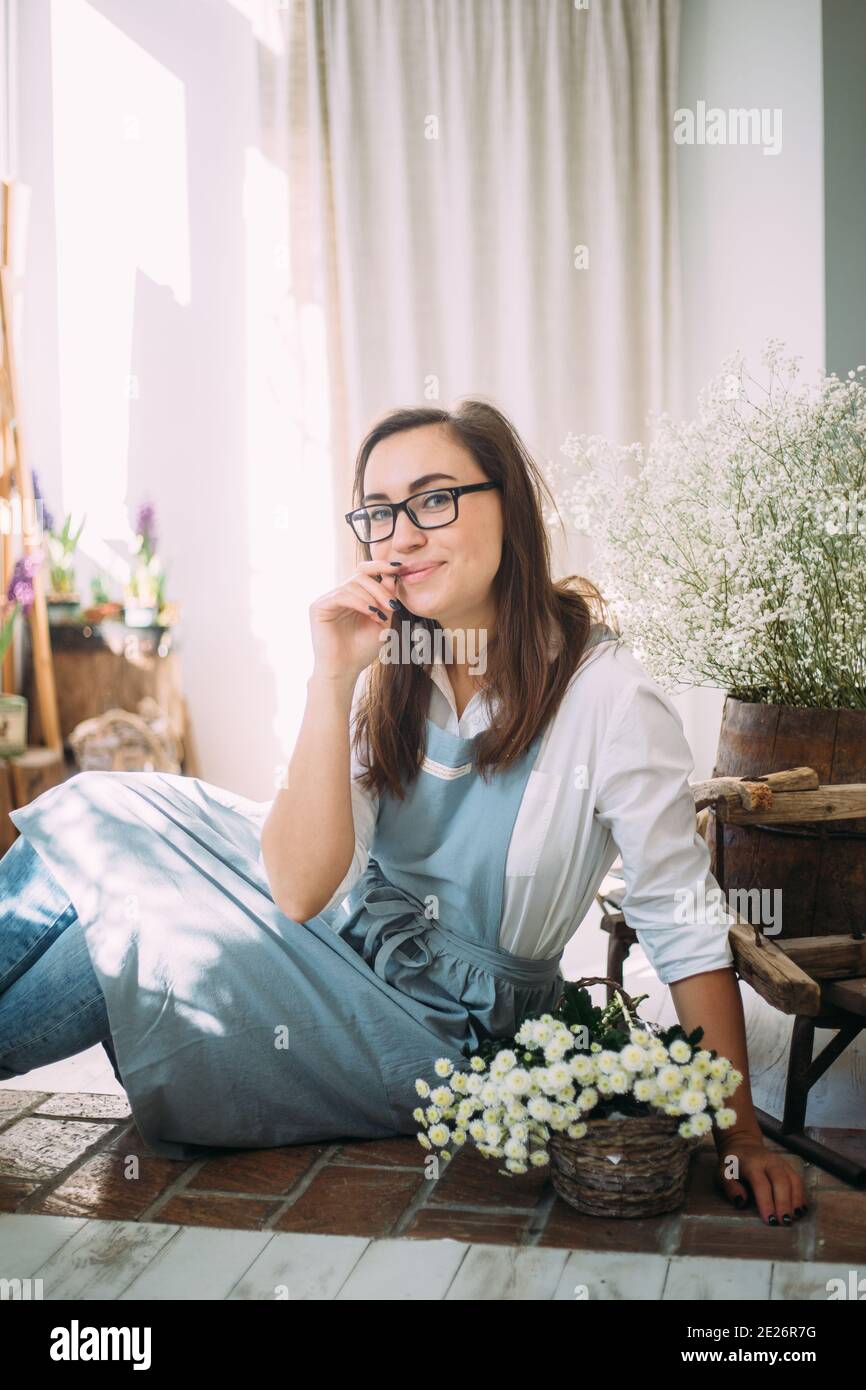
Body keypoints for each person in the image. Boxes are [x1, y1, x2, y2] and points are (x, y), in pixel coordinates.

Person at [0, 399, 806, 1228]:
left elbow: (680, 915)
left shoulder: (607, 697)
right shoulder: (391, 668)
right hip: (331, 931)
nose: (402, 536)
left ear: (510, 509)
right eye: (379, 514)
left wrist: (738, 1131)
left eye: (432, 499)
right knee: (103, 814)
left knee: (123, 920)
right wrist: (333, 675)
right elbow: (303, 885)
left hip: (437, 1025)